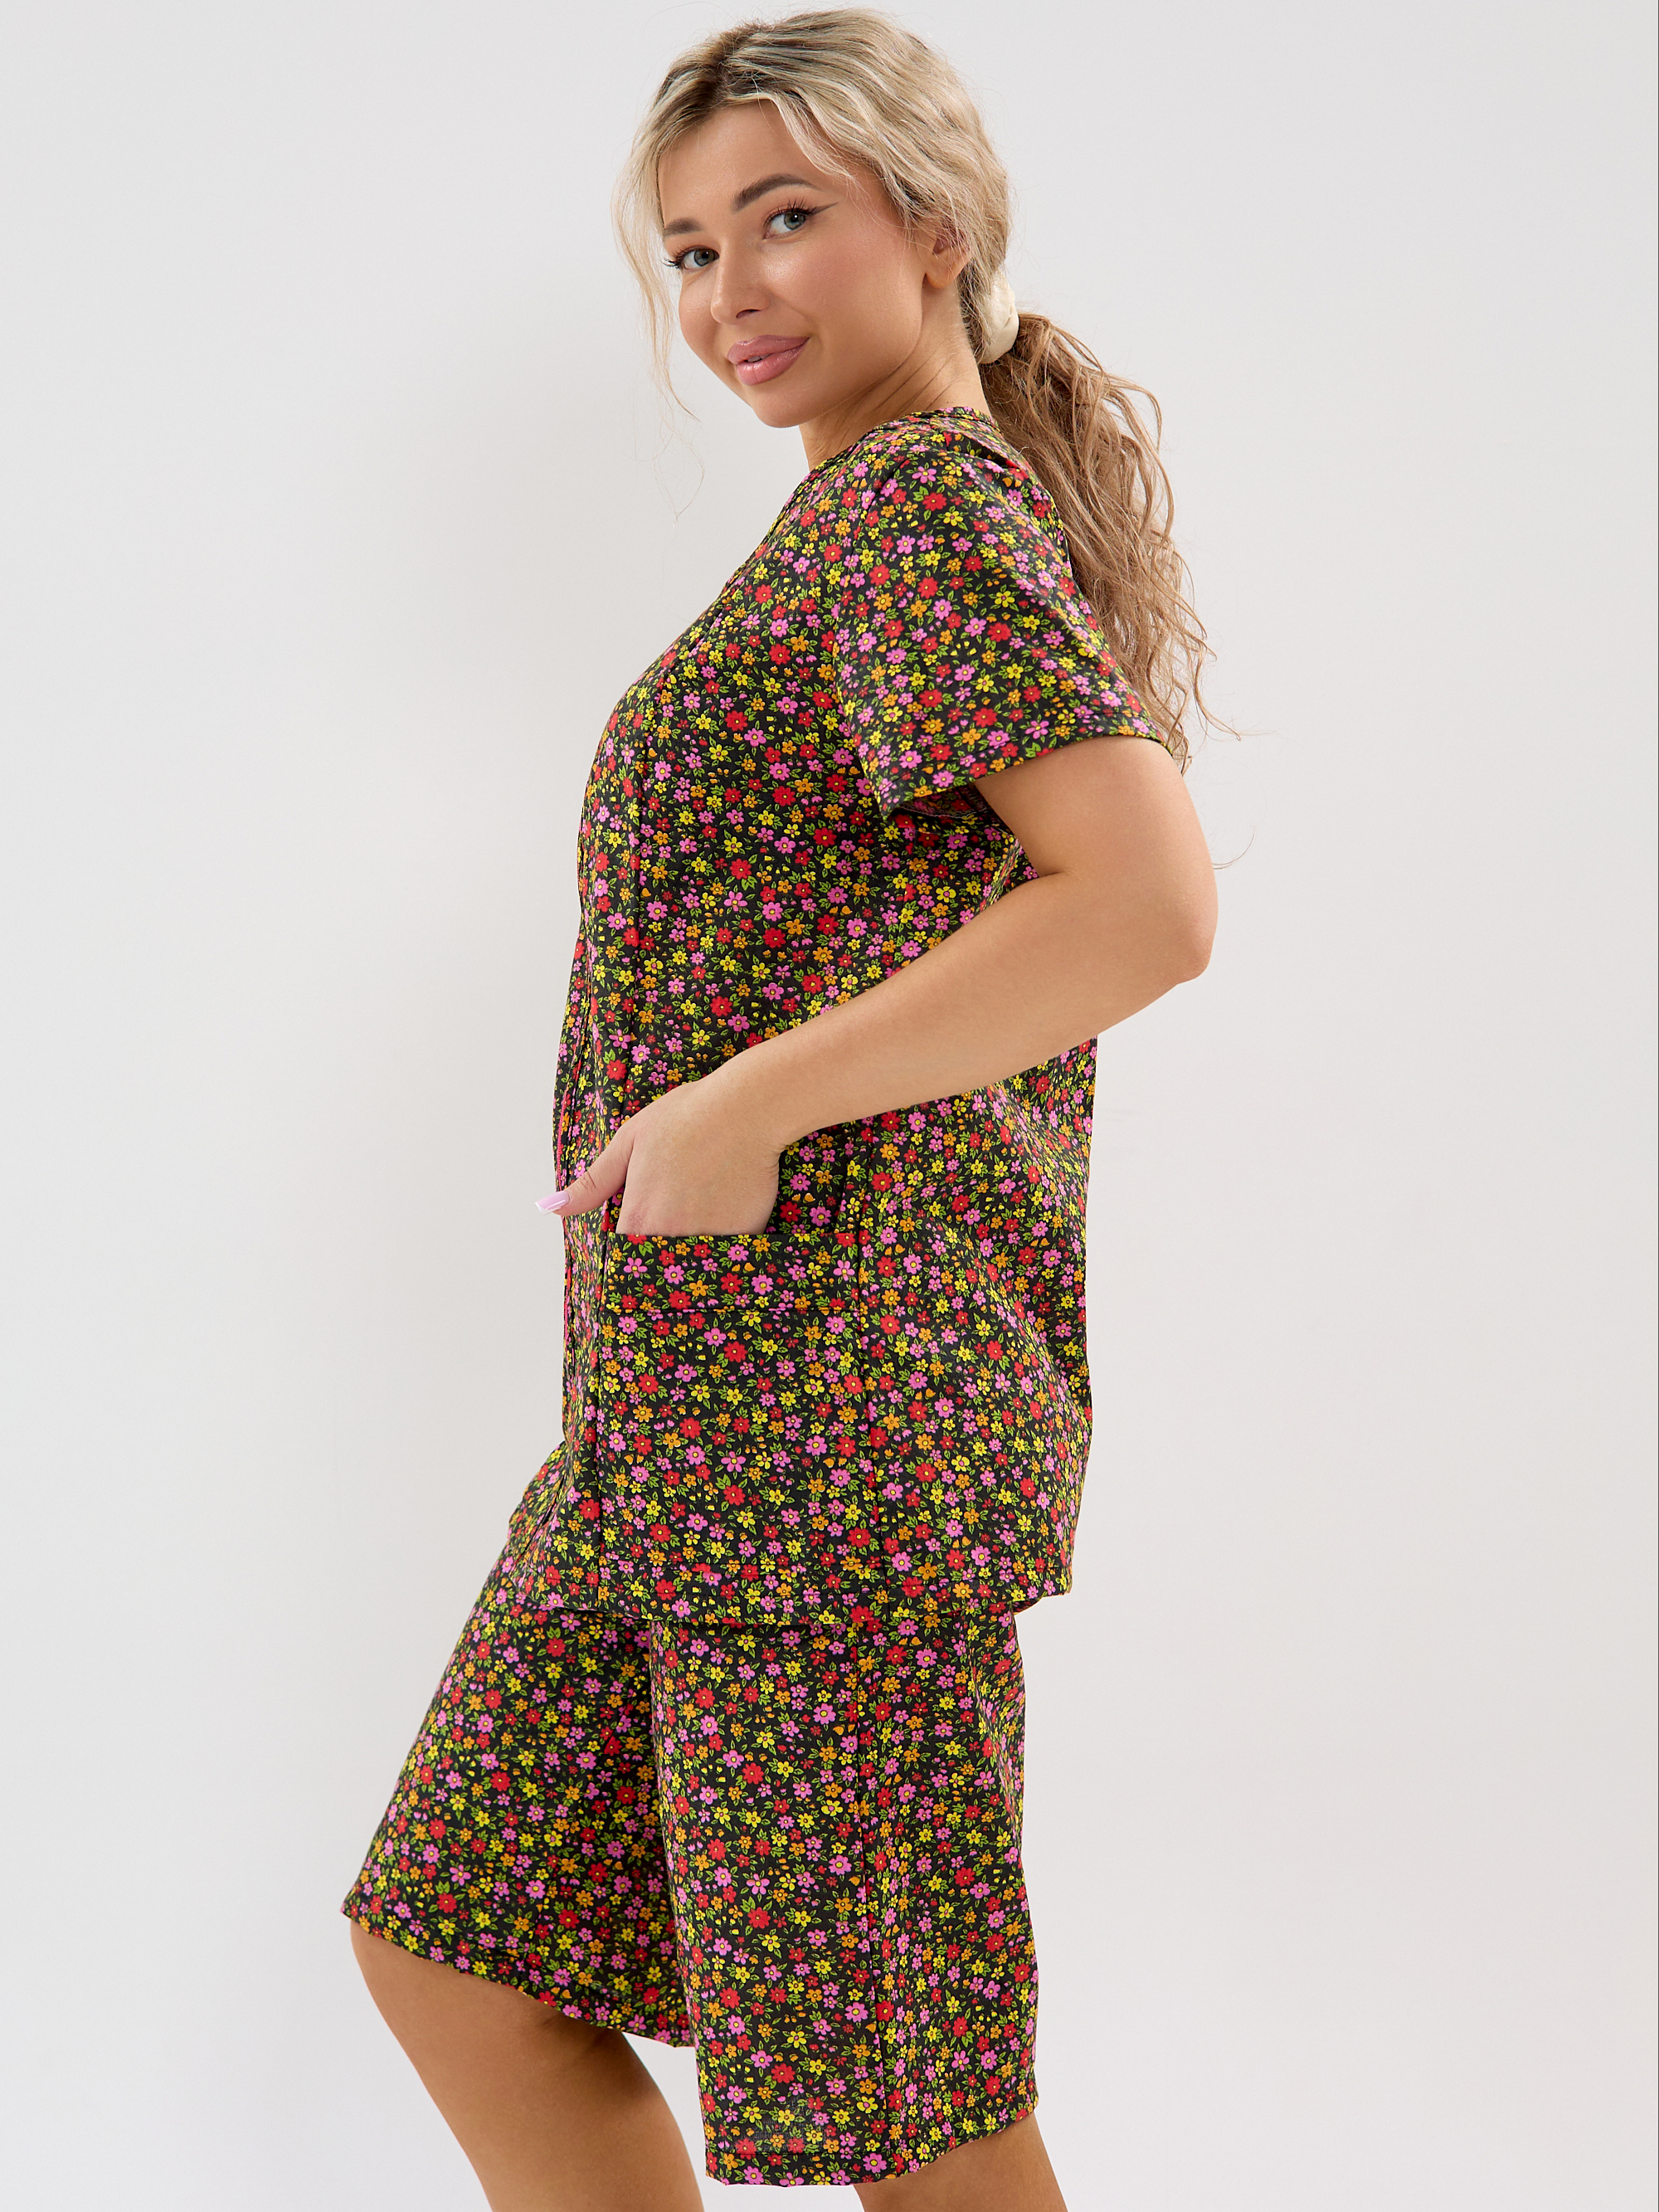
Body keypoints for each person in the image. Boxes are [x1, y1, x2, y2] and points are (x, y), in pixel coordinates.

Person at [341, 11, 1219, 2206]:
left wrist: (747, 1103)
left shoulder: (920, 517)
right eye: (689, 248)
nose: (729, 286)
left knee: (908, 2104)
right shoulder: (854, 530)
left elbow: (1147, 901)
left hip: (834, 1448)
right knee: (452, 1948)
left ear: (934, 228)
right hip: (683, 1432)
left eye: (784, 217)